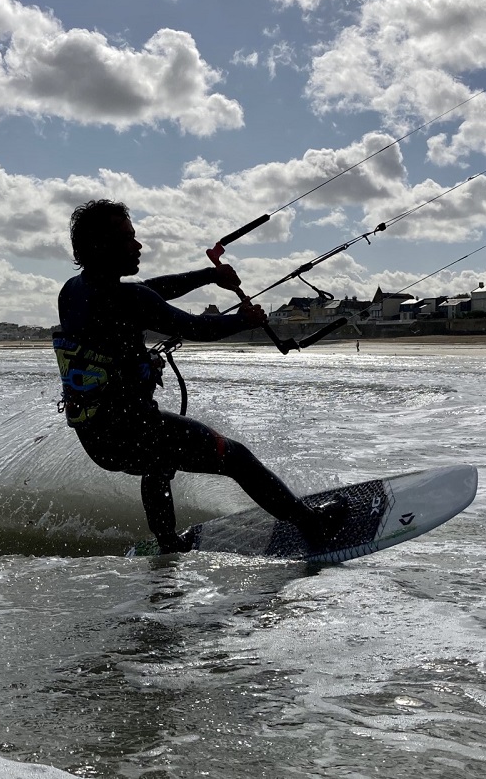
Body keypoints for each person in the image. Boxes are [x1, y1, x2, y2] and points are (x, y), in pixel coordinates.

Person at [54, 199, 345, 554]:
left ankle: (167, 543)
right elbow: (197, 327)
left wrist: (209, 276)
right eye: (128, 238)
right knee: (234, 456)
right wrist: (244, 319)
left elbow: (150, 290)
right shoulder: (125, 298)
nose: (138, 245)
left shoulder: (73, 291)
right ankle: (313, 526)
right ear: (101, 246)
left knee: (158, 461)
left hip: (98, 437)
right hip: (134, 430)